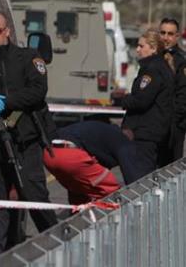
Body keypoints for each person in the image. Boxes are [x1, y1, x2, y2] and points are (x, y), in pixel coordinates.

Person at [0, 13, 57, 261]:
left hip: (24, 141)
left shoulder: (28, 58)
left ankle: (56, 243)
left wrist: (7, 102)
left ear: (7, 31)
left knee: (34, 195)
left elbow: (38, 91)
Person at [43, 121, 147, 205]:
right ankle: (115, 222)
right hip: (70, 154)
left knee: (79, 190)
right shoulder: (122, 141)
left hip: (48, 154)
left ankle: (80, 223)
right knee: (110, 188)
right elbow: (133, 177)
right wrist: (142, 197)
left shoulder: (102, 133)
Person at [121, 29, 174, 176]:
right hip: (151, 132)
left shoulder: (153, 70)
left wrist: (122, 100)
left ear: (153, 48)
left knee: (141, 179)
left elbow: (142, 100)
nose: (137, 50)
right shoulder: (157, 67)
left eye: (141, 46)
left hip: (146, 134)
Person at [159, 17, 186, 164]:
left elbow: (183, 95)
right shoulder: (155, 56)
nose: (165, 38)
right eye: (163, 33)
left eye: (170, 34)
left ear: (177, 37)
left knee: (170, 168)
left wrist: (174, 123)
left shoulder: (181, 61)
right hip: (156, 124)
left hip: (174, 125)